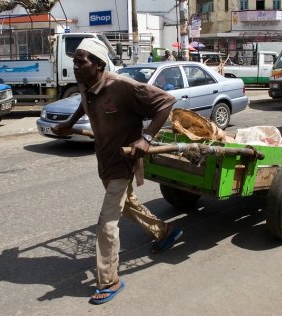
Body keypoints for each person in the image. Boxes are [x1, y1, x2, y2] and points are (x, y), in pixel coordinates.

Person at [52, 38, 183, 305]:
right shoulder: (85, 83)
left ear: (98, 65)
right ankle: (165, 232)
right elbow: (84, 102)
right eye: (75, 61)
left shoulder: (122, 86)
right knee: (128, 205)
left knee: (107, 223)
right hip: (104, 158)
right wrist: (70, 122)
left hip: (123, 162)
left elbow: (166, 101)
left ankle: (109, 279)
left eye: (81, 62)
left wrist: (146, 137)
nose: (75, 66)